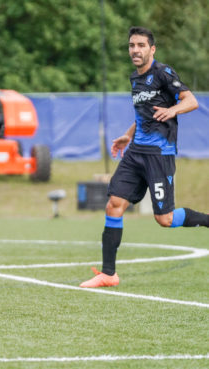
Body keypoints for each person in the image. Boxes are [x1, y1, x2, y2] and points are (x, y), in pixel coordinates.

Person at [80, 27, 207, 288]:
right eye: (131, 45)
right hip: (135, 152)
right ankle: (108, 274)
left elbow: (191, 100)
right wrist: (127, 135)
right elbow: (144, 116)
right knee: (114, 205)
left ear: (152, 49)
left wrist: (172, 110)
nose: (135, 50)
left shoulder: (163, 72)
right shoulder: (135, 80)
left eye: (140, 45)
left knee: (165, 219)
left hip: (159, 155)